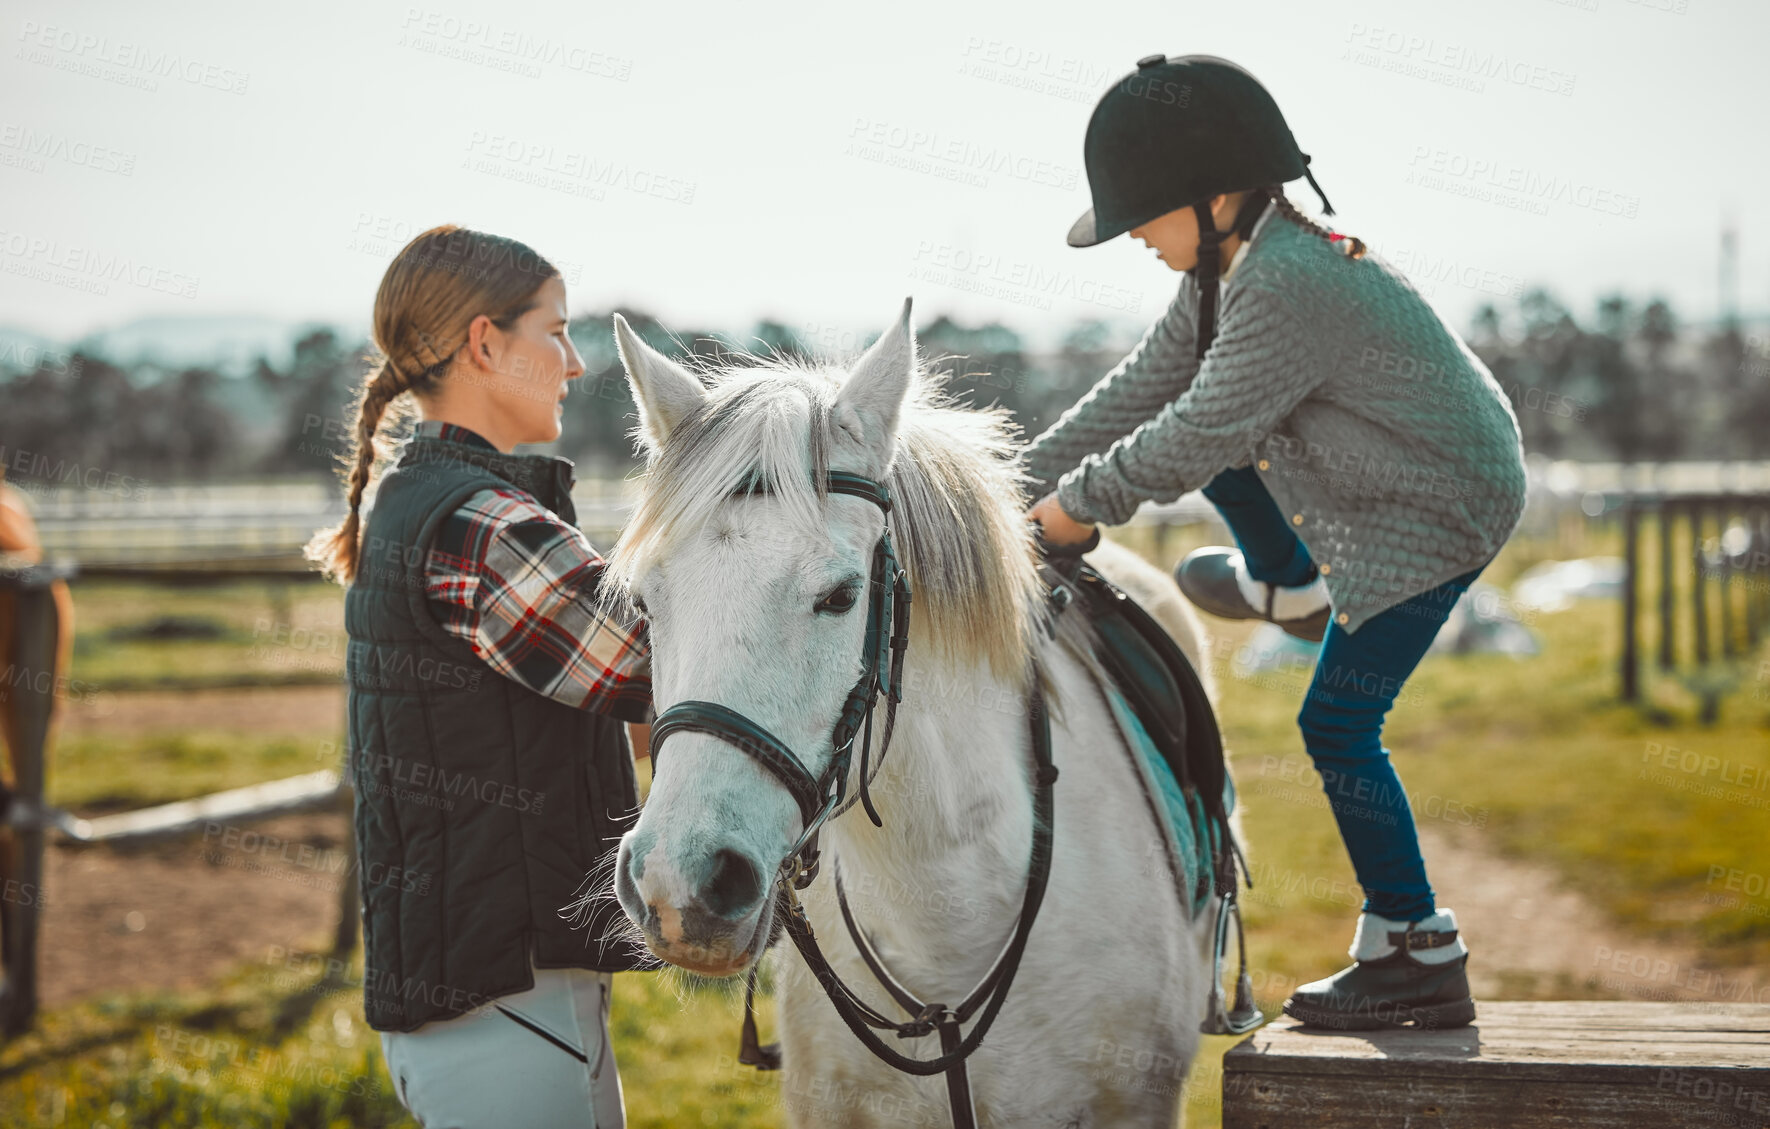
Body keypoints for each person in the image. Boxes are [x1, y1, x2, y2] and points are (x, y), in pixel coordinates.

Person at [1024, 55, 1527, 1030]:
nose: (1131, 236)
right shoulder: (1233, 270)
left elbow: (1195, 432)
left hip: (1436, 512)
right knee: (1200, 414)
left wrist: (1075, 509)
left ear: (1215, 198)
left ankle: (1419, 948)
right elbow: (1141, 388)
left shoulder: (1288, 284)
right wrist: (1010, 480)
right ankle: (1290, 585)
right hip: (1390, 477)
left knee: (1336, 729)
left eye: (1142, 215)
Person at [307, 225, 651, 1123]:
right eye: (556, 330)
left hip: (503, 985)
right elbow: (654, 663)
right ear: (486, 343)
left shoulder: (444, 500)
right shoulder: (483, 523)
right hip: (500, 1000)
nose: (575, 364)